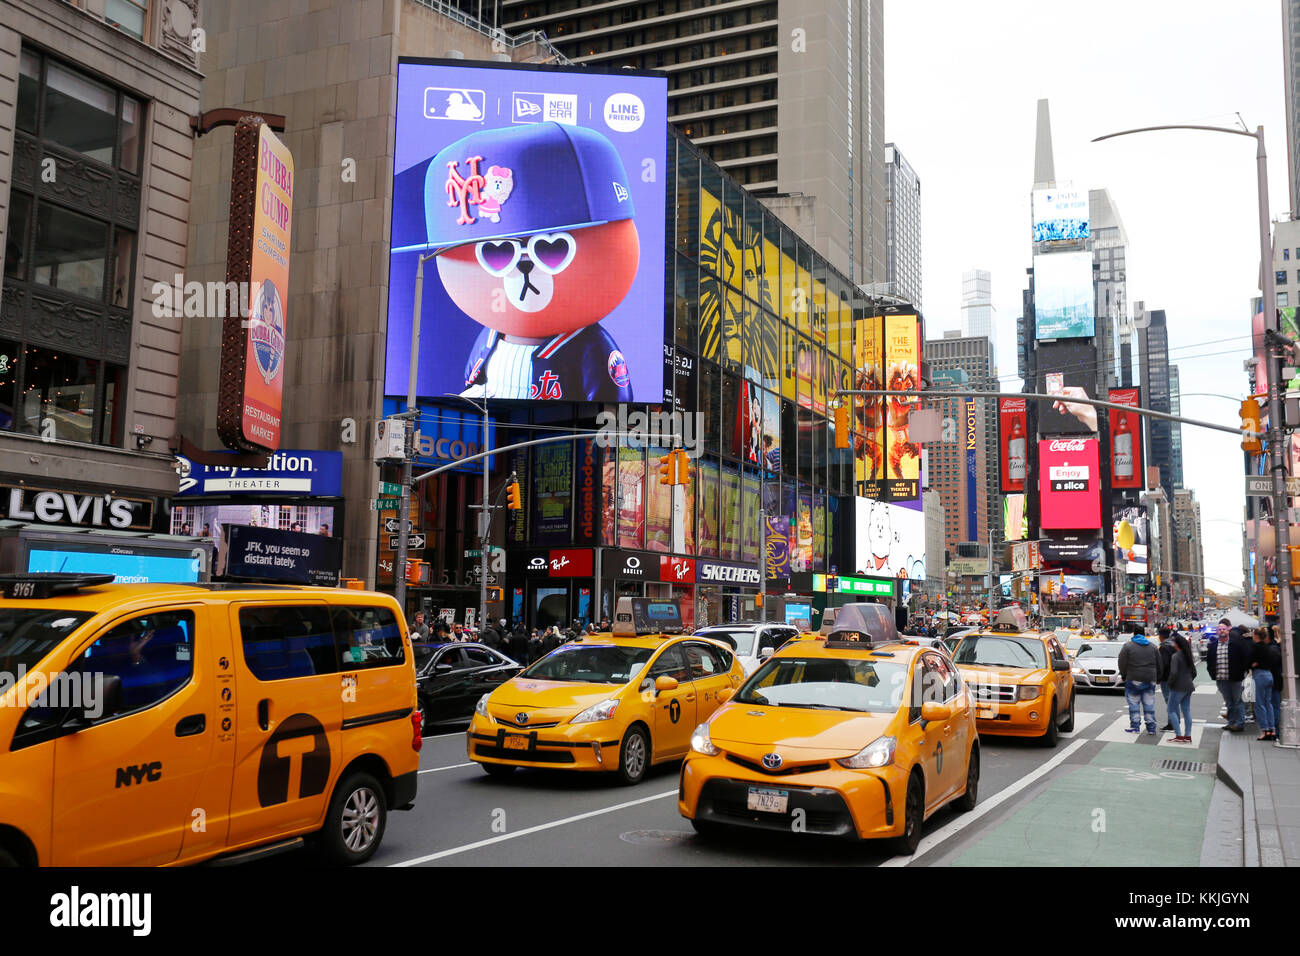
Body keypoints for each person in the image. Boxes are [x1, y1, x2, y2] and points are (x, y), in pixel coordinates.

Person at [1207, 619, 1251, 732]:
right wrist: (1212, 672)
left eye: (1224, 629)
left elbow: (1245, 658)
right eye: (1219, 629)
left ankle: (1239, 723)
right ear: (1216, 632)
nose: (1221, 631)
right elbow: (1209, 661)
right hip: (1221, 678)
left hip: (1235, 678)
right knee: (1229, 702)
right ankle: (1231, 722)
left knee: (1238, 701)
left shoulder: (1236, 644)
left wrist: (1242, 672)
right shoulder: (1213, 646)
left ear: (1228, 631)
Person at [1118, 627, 1160, 735]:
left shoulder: (1128, 646)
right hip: (1150, 678)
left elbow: (1122, 662)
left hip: (1133, 677)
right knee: (1149, 703)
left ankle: (1135, 726)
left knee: (1134, 703)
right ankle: (1151, 727)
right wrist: (1159, 677)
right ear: (1144, 634)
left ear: (1134, 634)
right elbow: (1160, 663)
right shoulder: (1153, 647)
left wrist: (1123, 675)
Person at [1251, 627, 1281, 741]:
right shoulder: (1270, 648)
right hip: (1270, 676)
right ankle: (1272, 729)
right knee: (1268, 703)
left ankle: (1265, 730)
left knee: (1260, 704)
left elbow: (1250, 661)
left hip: (1260, 675)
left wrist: (1254, 664)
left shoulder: (1257, 647)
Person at [1166, 633, 1197, 743]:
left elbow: (1173, 673)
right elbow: (1194, 672)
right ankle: (1187, 735)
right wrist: (1188, 680)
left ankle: (1178, 735)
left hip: (1178, 687)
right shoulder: (1188, 655)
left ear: (1177, 644)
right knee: (1186, 710)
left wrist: (1170, 683)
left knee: (1171, 709)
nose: (1173, 644)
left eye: (1174, 642)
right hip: (1188, 686)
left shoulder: (1176, 656)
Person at [1156, 626, 1177, 732]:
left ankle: (1172, 723)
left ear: (1160, 636)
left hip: (1167, 678)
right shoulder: (1173, 644)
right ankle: (1175, 721)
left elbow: (1163, 664)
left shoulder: (1164, 647)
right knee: (1173, 700)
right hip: (1175, 676)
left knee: (1169, 700)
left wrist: (1159, 677)